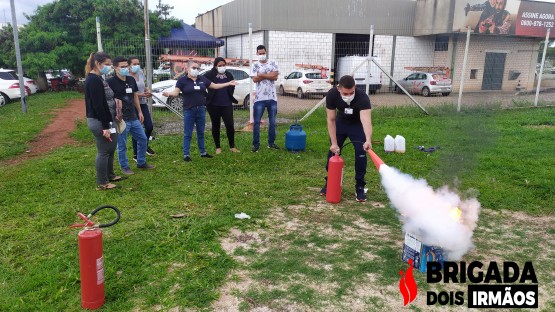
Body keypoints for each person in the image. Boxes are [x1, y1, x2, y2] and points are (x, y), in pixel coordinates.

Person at [162, 61, 238, 162]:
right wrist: (168, 94)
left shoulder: (202, 79)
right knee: (188, 133)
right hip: (189, 110)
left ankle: (203, 152)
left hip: (201, 109)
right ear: (187, 69)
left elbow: (215, 86)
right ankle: (186, 154)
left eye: (197, 68)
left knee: (201, 132)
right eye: (194, 68)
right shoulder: (182, 80)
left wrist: (228, 83)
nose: (196, 70)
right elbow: (176, 93)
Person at [320, 75, 373, 202]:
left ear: (355, 88)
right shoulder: (332, 94)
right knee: (333, 154)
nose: (348, 95)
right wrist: (334, 143)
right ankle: (330, 183)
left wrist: (368, 140)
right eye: (345, 93)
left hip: (356, 126)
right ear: (339, 88)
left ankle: (360, 187)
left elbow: (366, 120)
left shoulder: (362, 97)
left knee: (361, 154)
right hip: (340, 124)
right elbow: (331, 120)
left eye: (351, 92)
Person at [107, 56, 155, 174]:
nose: (125, 69)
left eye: (126, 66)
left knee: (143, 139)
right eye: (122, 67)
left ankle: (141, 162)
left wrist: (139, 111)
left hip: (133, 116)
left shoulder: (130, 80)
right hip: (121, 119)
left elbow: (134, 96)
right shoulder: (110, 82)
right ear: (115, 68)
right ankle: (125, 166)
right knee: (122, 144)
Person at [84, 52, 122, 190]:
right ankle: (102, 182)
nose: (109, 67)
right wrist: (105, 127)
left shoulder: (100, 78)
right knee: (104, 151)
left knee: (111, 148)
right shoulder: (93, 80)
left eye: (109, 65)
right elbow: (98, 105)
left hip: (107, 119)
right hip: (100, 121)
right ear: (97, 64)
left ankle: (110, 175)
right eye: (106, 64)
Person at [205, 57, 240, 154]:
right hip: (213, 105)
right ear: (215, 66)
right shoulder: (209, 74)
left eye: (224, 65)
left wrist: (230, 95)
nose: (222, 67)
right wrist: (206, 96)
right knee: (216, 125)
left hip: (226, 104)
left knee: (229, 125)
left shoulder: (228, 74)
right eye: (220, 65)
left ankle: (232, 146)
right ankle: (218, 147)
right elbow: (202, 83)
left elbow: (232, 86)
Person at [251, 44, 280, 152]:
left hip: (272, 98)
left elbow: (275, 76)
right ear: (257, 54)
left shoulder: (273, 63)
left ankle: (271, 143)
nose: (262, 55)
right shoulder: (254, 65)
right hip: (259, 98)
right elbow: (254, 79)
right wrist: (269, 74)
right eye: (260, 54)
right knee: (257, 122)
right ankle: (256, 144)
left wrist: (261, 75)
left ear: (266, 52)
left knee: (272, 122)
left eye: (263, 53)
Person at [128, 56, 156, 161]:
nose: (137, 66)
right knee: (136, 129)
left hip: (143, 104)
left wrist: (147, 90)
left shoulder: (140, 73)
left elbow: (143, 86)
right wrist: (142, 95)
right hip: (132, 106)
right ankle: (136, 154)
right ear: (129, 65)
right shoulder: (126, 76)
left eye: (138, 63)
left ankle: (144, 146)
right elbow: (130, 93)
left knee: (149, 126)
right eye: (134, 64)